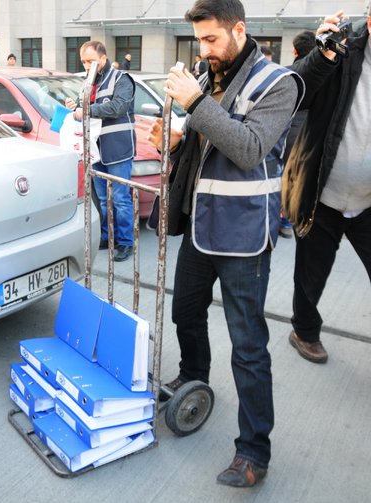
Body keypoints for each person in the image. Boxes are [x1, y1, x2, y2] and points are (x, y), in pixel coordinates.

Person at [147, 0, 302, 487]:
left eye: (212, 39)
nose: (204, 50)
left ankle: (253, 452)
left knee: (248, 346)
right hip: (200, 226)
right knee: (185, 312)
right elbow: (206, 147)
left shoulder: (279, 82)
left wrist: (196, 104)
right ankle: (193, 377)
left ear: (239, 29)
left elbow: (249, 149)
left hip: (243, 236)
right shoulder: (206, 74)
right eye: (199, 40)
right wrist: (174, 142)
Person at [282, 8, 371, 364]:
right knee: (311, 274)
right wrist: (321, 54)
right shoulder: (342, 49)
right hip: (323, 192)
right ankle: (304, 331)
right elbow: (295, 95)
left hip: (368, 202)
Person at [65, 41, 136, 262]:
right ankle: (107, 237)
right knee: (104, 199)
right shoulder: (88, 82)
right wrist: (74, 106)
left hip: (118, 149)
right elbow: (81, 108)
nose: (87, 66)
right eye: (84, 62)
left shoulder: (121, 79)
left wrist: (85, 110)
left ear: (103, 59)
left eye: (91, 61)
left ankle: (125, 242)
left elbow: (118, 107)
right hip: (95, 150)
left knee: (120, 198)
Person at [278, 29, 315, 238]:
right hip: (311, 136)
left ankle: (280, 220)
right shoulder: (325, 74)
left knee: (280, 178)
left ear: (294, 50)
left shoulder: (285, 73)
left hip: (286, 134)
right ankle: (292, 221)